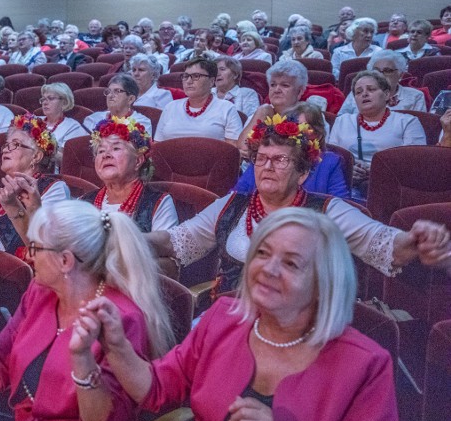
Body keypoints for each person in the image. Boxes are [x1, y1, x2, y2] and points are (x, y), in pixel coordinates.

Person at [75, 208, 402, 421]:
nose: (268, 269)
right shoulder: (222, 318)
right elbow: (155, 389)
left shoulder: (365, 365)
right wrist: (116, 345)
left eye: (290, 264)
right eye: (262, 253)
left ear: (324, 284)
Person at [0, 200, 174, 421]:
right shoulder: (40, 294)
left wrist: (83, 361)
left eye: (35, 248)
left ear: (65, 261)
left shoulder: (118, 316)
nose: (29, 256)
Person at [150, 113, 445, 293]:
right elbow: (177, 240)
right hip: (231, 319)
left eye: (279, 160)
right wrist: (122, 233)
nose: (267, 166)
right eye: (261, 159)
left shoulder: (327, 210)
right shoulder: (232, 205)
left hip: (301, 327)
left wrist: (415, 241)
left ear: (303, 173)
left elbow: (382, 242)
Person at [0, 114, 70, 256]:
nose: (6, 149)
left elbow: (44, 247)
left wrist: (13, 206)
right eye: (6, 145)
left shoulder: (53, 189)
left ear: (36, 156)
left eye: (15, 144)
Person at [328, 70, 426, 199]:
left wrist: (376, 171)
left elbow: (414, 162)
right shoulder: (343, 121)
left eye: (371, 89)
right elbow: (332, 157)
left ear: (386, 94)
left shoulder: (408, 122)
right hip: (346, 186)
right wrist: (349, 170)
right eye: (359, 92)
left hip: (391, 188)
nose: (364, 94)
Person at [82, 117, 179, 235]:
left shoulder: (158, 203)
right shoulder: (84, 202)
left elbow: (164, 251)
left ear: (138, 161)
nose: (106, 155)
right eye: (101, 151)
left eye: (116, 148)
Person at [234, 102, 348, 198]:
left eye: (302, 129)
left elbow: (340, 205)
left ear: (318, 135)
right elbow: (237, 195)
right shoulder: (265, 156)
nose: (296, 135)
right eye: (291, 129)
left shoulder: (331, 163)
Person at [154, 58, 242, 144]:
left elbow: (233, 150)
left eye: (196, 76)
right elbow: (157, 145)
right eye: (185, 76)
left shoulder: (226, 108)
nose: (188, 81)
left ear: (211, 81)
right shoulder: (170, 107)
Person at [238, 60, 310, 157]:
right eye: (273, 85)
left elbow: (308, 157)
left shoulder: (310, 116)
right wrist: (262, 111)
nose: (276, 90)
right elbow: (243, 149)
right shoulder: (261, 113)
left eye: (285, 85)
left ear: (300, 91)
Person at [338, 50, 427, 114]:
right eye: (376, 71)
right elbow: (340, 120)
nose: (381, 75)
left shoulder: (415, 96)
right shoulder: (358, 93)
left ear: (400, 75)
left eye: (387, 70)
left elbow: (419, 127)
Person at [83, 73, 153, 135]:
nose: (110, 95)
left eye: (117, 91)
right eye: (109, 91)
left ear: (130, 99)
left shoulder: (141, 123)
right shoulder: (93, 119)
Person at [38, 83, 88, 167]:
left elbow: (66, 160)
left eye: (50, 98)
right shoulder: (35, 120)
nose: (45, 103)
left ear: (64, 102)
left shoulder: (73, 127)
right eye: (43, 99)